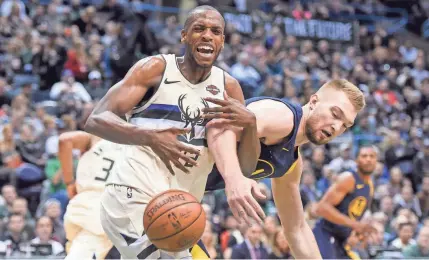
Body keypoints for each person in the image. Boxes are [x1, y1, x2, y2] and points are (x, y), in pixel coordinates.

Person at [84, 5, 265, 259]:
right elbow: (96, 119)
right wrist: (148, 136)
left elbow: (245, 168)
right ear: (183, 36)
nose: (207, 35)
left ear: (222, 41)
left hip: (178, 208)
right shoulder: (155, 69)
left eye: (215, 31)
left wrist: (250, 125)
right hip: (132, 195)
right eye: (199, 29)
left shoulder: (229, 88)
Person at [204, 79, 366, 258]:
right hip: (173, 170)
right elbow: (219, 126)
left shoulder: (292, 163)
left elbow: (296, 229)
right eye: (335, 114)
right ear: (313, 102)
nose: (337, 127)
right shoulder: (282, 116)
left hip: (187, 191)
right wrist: (234, 178)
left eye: (345, 125)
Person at [59, 131, 120, 259]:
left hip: (82, 206)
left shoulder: (96, 138)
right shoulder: (141, 147)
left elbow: (65, 140)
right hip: (104, 212)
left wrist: (69, 182)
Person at [312, 145, 378, 259]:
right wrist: (354, 225)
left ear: (376, 161)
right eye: (364, 156)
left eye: (372, 156)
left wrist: (362, 233)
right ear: (356, 160)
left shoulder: (370, 186)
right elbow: (321, 208)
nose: (368, 159)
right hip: (326, 233)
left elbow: (355, 216)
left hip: (342, 239)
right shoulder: (348, 179)